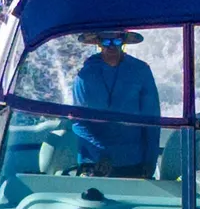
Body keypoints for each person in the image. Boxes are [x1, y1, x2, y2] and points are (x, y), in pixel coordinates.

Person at [67, 29, 165, 177]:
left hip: (133, 161)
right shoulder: (84, 76)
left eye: (117, 41)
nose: (111, 46)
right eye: (106, 41)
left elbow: (152, 120)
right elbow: (79, 123)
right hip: (94, 161)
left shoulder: (141, 71)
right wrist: (101, 154)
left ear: (123, 42)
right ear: (99, 43)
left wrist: (150, 161)